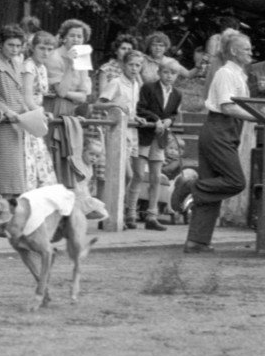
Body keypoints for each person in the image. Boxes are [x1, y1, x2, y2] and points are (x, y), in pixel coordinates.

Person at [172, 30, 257, 253]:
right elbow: (228, 106)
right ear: (233, 51)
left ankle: (197, 241)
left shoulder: (239, 74)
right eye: (246, 49)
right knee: (235, 181)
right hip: (219, 130)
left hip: (226, 131)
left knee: (213, 190)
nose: (251, 52)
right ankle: (191, 186)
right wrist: (258, 117)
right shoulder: (225, 73)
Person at [94, 49, 147, 229]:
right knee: (126, 174)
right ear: (124, 65)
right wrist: (114, 104)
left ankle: (116, 213)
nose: (134, 68)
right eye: (131, 64)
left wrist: (136, 117)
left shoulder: (136, 85)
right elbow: (98, 104)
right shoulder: (116, 82)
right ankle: (111, 213)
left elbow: (131, 109)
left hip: (131, 132)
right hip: (116, 132)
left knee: (129, 175)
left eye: (138, 65)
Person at [136, 57, 183, 232]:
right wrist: (156, 120)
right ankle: (131, 213)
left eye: (173, 73)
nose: (169, 76)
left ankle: (152, 215)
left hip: (160, 137)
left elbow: (172, 114)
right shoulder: (148, 88)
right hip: (146, 135)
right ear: (159, 72)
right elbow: (141, 108)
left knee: (156, 176)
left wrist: (169, 121)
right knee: (139, 174)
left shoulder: (177, 94)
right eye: (166, 72)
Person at [43, 19, 92, 184]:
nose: (76, 40)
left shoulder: (83, 56)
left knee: (68, 157)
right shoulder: (54, 56)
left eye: (80, 36)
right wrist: (70, 65)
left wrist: (69, 94)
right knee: (53, 152)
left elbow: (84, 95)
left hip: (71, 109)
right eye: (72, 36)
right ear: (64, 37)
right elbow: (60, 91)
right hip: (54, 107)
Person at [0, 25, 27, 202]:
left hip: (15, 125)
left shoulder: (16, 63)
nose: (15, 49)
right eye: (11, 45)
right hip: (0, 124)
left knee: (12, 180)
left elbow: (19, 94)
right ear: (1, 44)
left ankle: (1, 220)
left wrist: (29, 112)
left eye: (18, 46)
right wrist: (6, 110)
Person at [22, 31, 58, 190]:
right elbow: (27, 98)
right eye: (42, 48)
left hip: (37, 115)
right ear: (33, 48)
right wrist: (41, 112)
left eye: (50, 49)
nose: (46, 52)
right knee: (30, 161)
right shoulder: (28, 66)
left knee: (41, 162)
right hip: (29, 116)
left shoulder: (42, 67)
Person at [69, 138, 109, 220]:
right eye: (91, 154)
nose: (94, 158)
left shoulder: (90, 166)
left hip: (84, 192)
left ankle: (84, 213)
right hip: (75, 192)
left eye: (97, 156)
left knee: (99, 209)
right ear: (83, 151)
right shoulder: (79, 162)